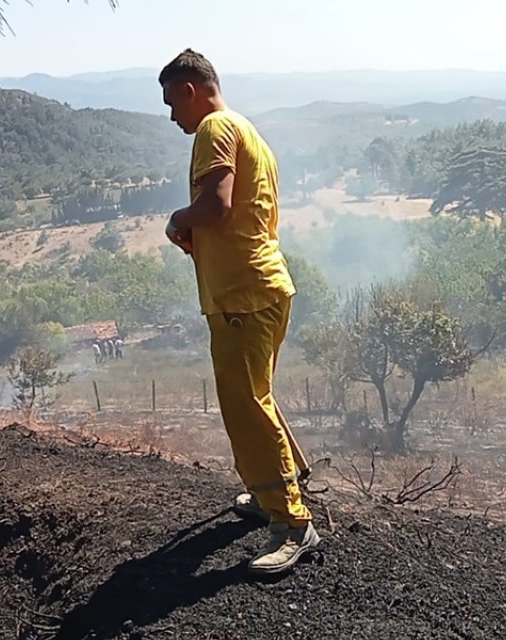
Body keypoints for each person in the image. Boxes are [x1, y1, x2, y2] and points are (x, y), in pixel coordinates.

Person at [160, 49, 318, 575]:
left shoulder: (214, 129)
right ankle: (273, 484)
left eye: (171, 103)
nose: (172, 117)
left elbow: (216, 207)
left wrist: (176, 219)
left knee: (246, 406)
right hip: (265, 286)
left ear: (190, 89)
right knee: (258, 398)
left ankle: (293, 523)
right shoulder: (249, 130)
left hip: (242, 297)